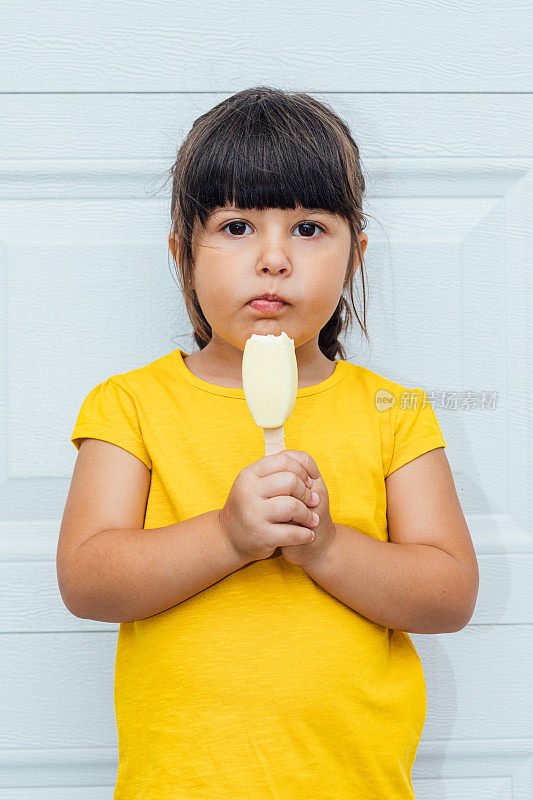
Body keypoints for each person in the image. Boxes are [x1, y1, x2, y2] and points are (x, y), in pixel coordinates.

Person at [57, 86, 479, 799]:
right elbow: (88, 579)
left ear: (355, 255)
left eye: (309, 228)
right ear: (180, 254)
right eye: (236, 226)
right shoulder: (129, 405)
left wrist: (325, 546)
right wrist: (228, 535)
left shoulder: (393, 411)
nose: (274, 258)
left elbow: (447, 594)